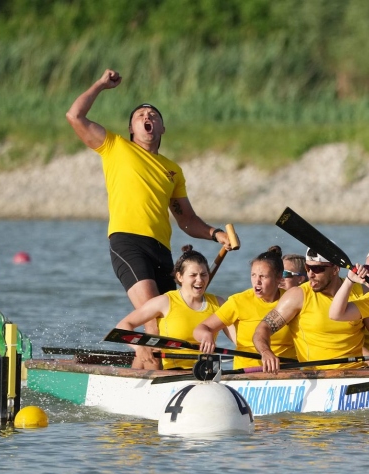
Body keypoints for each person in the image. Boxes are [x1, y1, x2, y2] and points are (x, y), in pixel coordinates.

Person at [66, 69, 233, 367]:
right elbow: (75, 116)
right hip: (127, 241)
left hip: (161, 249)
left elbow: (186, 220)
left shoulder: (172, 169)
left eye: (154, 115)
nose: (148, 117)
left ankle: (147, 372)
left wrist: (216, 234)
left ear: (162, 128)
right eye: (142, 115)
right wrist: (101, 85)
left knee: (170, 321)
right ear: (132, 128)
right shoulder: (115, 146)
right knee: (153, 320)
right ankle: (152, 380)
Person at [253, 247, 369, 373]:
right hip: (317, 376)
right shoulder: (298, 296)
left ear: (335, 269)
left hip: (356, 374)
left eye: (317, 269)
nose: (310, 274)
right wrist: (266, 352)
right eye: (308, 268)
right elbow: (263, 329)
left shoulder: (360, 292)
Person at [115, 245, 234, 370]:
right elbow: (123, 325)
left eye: (204, 274)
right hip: (174, 373)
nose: (200, 280)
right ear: (179, 277)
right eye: (193, 275)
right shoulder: (165, 302)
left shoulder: (218, 303)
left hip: (207, 371)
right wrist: (138, 347)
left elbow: (238, 339)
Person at [194, 247, 295, 369]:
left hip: (288, 373)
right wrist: (206, 335)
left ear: (279, 277)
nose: (257, 281)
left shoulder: (292, 300)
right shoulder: (239, 301)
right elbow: (201, 328)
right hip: (247, 373)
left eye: (263, 276)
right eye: (253, 275)